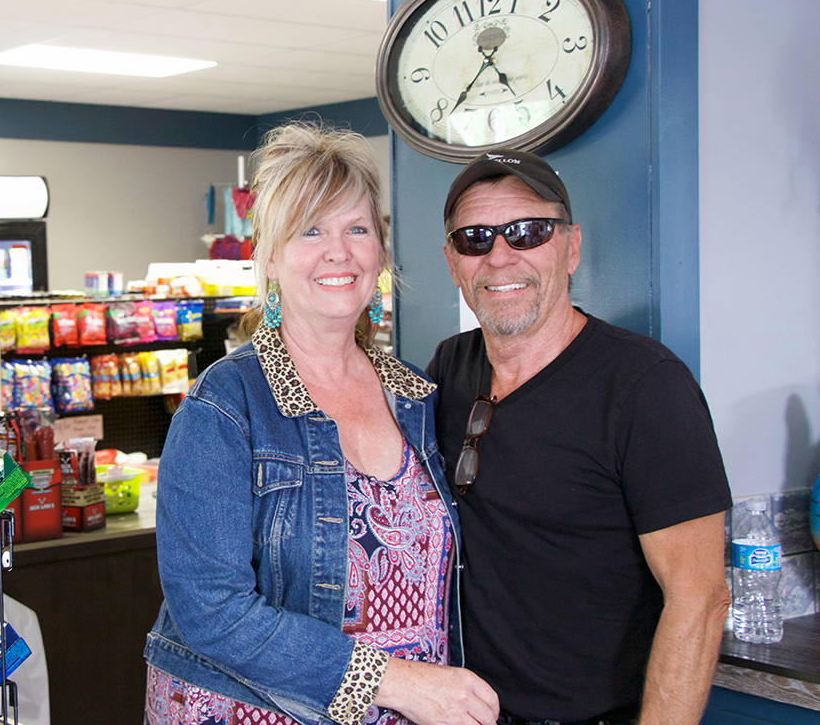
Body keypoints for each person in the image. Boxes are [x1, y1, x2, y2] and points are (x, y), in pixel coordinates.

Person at [144, 122, 499, 725]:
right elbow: (211, 609)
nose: (339, 251)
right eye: (311, 230)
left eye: (357, 229)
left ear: (380, 253)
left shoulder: (414, 394)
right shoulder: (226, 405)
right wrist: (392, 681)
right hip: (258, 712)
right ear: (271, 258)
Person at [425, 149, 732, 725]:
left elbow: (700, 597)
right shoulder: (449, 366)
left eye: (528, 232)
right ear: (451, 260)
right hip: (461, 709)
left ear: (571, 247)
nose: (499, 256)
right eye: (475, 238)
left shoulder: (644, 385)